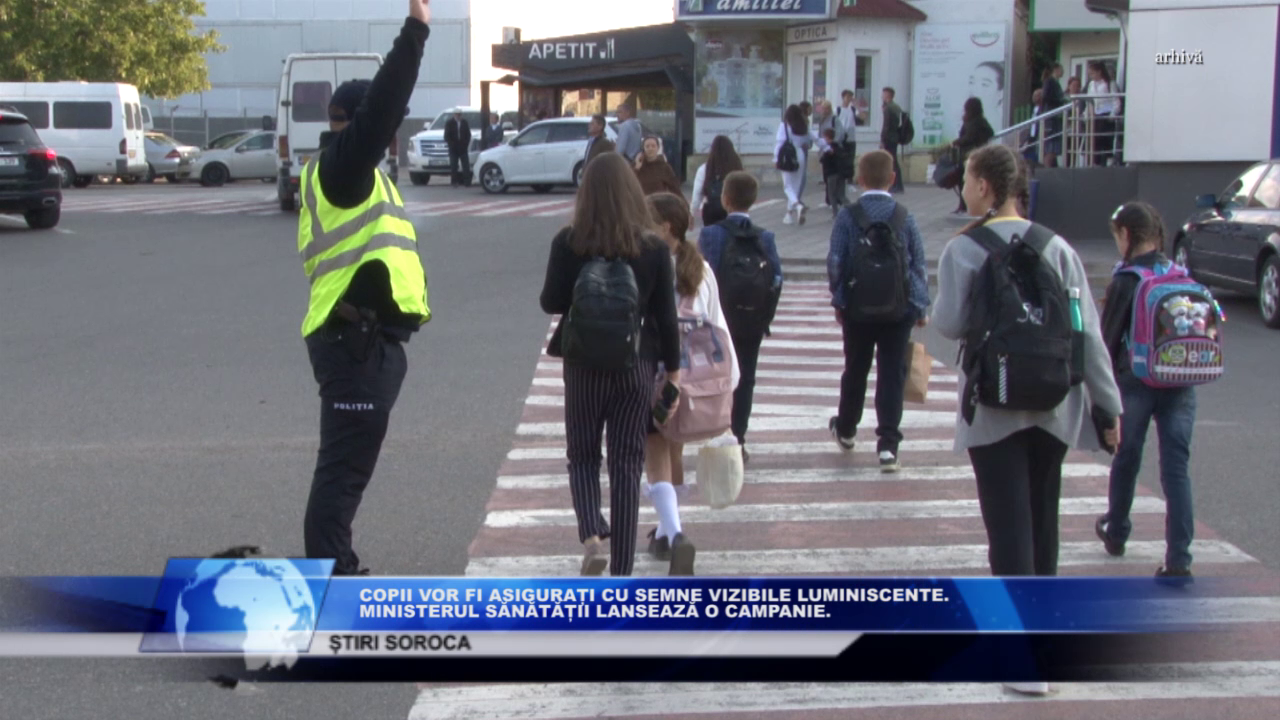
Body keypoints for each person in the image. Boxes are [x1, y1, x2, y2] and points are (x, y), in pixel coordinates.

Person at [931, 143, 1123, 580]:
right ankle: (1042, 609)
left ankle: (1015, 615)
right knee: (1042, 524)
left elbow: (949, 323)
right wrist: (1107, 405)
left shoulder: (963, 249)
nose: (964, 189)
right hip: (1054, 404)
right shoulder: (1056, 247)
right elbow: (1086, 332)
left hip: (992, 406)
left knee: (1007, 532)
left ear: (984, 186)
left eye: (966, 180)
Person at [299, 0, 433, 577]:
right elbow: (382, 109)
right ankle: (333, 582)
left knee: (347, 472)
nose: (392, 135)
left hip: (363, 342)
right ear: (356, 124)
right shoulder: (344, 169)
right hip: (353, 341)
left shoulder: (350, 174)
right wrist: (416, 31)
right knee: (341, 475)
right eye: (385, 128)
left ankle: (337, 571)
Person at [539, 152, 680, 577]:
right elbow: (666, 318)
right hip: (635, 364)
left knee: (583, 455)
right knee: (626, 463)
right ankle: (622, 571)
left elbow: (550, 301)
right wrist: (672, 376)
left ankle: (592, 537)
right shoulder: (653, 247)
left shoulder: (568, 241)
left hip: (583, 365)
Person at [1097, 202, 1198, 582]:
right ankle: (1179, 558)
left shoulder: (1126, 281)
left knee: (1127, 458)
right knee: (1176, 471)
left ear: (1126, 235)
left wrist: (1102, 403)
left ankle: (1117, 531)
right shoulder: (1180, 275)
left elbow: (1106, 344)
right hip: (1180, 382)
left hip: (1136, 383)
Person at [643, 192, 740, 575]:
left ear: (666, 227)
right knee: (674, 452)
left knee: (655, 450)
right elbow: (717, 323)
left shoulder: (652, 264)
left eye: (647, 220)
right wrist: (730, 379)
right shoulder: (701, 268)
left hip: (659, 374)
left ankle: (675, 535)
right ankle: (666, 531)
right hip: (696, 379)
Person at [826, 150, 929, 471]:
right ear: (893, 178)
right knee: (892, 373)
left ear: (859, 179)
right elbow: (917, 265)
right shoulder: (904, 217)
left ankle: (846, 428)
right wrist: (920, 306)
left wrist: (840, 300)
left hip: (858, 309)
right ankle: (888, 445)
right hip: (898, 310)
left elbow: (836, 261)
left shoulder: (848, 216)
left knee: (855, 368)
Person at [698, 171, 783, 464]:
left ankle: (717, 431)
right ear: (754, 201)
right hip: (751, 320)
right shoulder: (765, 237)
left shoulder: (711, 235)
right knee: (746, 377)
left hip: (719, 319)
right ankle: (739, 437)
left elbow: (704, 275)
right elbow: (776, 278)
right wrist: (765, 316)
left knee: (716, 376)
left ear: (725, 199)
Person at [951, 97, 995, 214]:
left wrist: (957, 142)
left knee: (965, 181)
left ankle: (964, 205)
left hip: (969, 156)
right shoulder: (980, 121)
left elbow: (968, 138)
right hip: (974, 155)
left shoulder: (974, 122)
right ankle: (965, 205)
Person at [690, 135, 743, 228]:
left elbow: (697, 195)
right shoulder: (736, 167)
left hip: (711, 210)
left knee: (712, 234)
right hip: (732, 209)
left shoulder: (705, 168)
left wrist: (692, 213)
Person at [775, 104, 815, 226]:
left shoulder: (784, 126)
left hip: (788, 154)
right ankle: (789, 214)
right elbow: (811, 139)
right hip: (800, 154)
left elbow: (780, 143)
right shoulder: (803, 126)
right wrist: (826, 147)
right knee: (796, 185)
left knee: (788, 186)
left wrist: (776, 158)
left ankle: (797, 206)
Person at [1086, 61, 1119, 166]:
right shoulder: (1091, 84)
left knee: (1107, 139)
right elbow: (1089, 100)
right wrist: (1087, 113)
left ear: (1099, 72)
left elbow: (1116, 100)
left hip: (1107, 113)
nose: (1091, 76)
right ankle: (1096, 161)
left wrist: (1113, 113)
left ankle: (1108, 160)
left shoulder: (1109, 83)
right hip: (1096, 114)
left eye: (1092, 73)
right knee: (1096, 139)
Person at [879, 87, 906, 194]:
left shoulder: (888, 108)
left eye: (883, 94)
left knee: (891, 162)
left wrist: (882, 139)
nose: (882, 96)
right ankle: (898, 185)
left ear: (887, 95)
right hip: (895, 137)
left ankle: (895, 185)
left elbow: (886, 125)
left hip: (889, 138)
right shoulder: (896, 107)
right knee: (894, 161)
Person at [818, 127, 850, 216]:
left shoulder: (828, 148)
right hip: (841, 173)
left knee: (832, 194)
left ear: (827, 137)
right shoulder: (839, 146)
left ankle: (835, 213)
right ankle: (851, 209)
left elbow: (823, 160)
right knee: (841, 195)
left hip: (831, 173)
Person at [1040, 64, 1066, 167]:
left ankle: (1052, 167)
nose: (1063, 72)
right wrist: (1060, 101)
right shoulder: (1050, 81)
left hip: (1054, 117)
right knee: (1052, 145)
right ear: (1056, 69)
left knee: (1054, 145)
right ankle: (1046, 168)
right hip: (1052, 118)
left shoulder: (1054, 82)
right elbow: (1046, 97)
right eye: (1061, 69)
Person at [968, 61, 1005, 129]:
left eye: (984, 84)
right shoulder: (965, 123)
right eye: (971, 82)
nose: (974, 89)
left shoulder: (1001, 127)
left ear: (1000, 93)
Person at [444, 108, 471, 186]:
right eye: (456, 114)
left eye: (459, 114)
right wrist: (451, 145)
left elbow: (468, 134)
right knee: (454, 166)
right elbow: (446, 136)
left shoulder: (464, 122)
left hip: (463, 147)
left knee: (466, 165)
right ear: (454, 115)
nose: (458, 116)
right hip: (453, 148)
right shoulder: (449, 123)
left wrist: (465, 144)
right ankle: (454, 182)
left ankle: (467, 182)